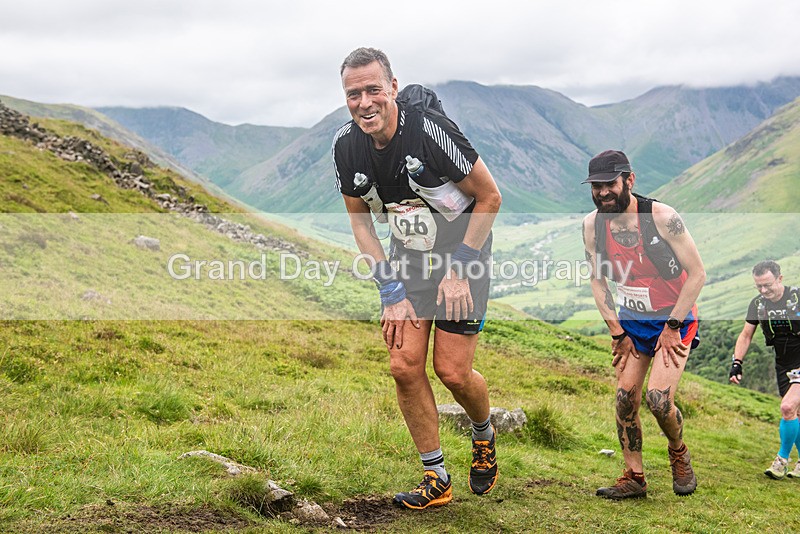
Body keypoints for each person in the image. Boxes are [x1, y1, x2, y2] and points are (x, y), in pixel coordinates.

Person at [332, 47, 502, 509]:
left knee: (452, 371)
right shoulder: (347, 145)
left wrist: (462, 268)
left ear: (392, 88)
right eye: (353, 94)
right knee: (403, 365)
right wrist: (389, 289)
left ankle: (484, 434)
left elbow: (489, 197)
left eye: (373, 90)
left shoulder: (429, 132)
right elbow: (361, 224)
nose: (364, 102)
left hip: (464, 256)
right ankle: (437, 479)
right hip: (409, 260)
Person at [581, 149, 706, 499]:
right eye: (596, 187)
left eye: (610, 184)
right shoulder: (592, 225)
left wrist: (671, 326)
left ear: (629, 180)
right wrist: (617, 333)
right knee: (624, 399)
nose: (603, 192)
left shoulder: (663, 217)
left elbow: (697, 275)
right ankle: (634, 477)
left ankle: (678, 452)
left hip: (673, 318)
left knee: (658, 400)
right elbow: (597, 280)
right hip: (633, 323)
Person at [730, 260, 800, 479]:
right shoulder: (758, 305)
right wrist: (737, 363)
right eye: (759, 286)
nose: (763, 290)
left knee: (787, 407)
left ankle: (781, 461)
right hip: (783, 363)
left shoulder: (797, 298)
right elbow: (746, 335)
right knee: (796, 413)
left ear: (780, 278)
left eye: (767, 285)